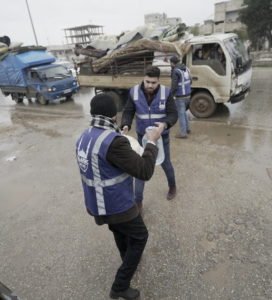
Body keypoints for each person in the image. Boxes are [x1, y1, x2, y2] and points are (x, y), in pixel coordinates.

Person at [76, 93, 164, 300]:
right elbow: (144, 171)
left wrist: (121, 135)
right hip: (116, 205)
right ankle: (120, 286)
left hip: (96, 203)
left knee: (119, 231)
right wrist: (151, 142)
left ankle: (127, 259)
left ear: (93, 112)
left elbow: (102, 162)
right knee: (140, 236)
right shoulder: (115, 143)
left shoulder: (85, 135)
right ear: (114, 114)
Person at [121, 66, 178, 202]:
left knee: (166, 164)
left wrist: (165, 124)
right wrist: (125, 124)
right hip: (142, 137)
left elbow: (173, 114)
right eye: (147, 82)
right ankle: (138, 201)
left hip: (161, 137)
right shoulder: (134, 92)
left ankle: (172, 187)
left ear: (158, 81)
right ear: (143, 79)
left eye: (153, 82)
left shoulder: (166, 92)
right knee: (140, 168)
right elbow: (128, 111)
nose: (150, 85)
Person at [170, 56, 192, 138]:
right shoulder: (186, 69)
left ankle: (183, 133)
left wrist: (171, 95)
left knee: (181, 114)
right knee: (184, 112)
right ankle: (187, 129)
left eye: (170, 63)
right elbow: (191, 81)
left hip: (180, 97)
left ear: (173, 63)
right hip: (188, 95)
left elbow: (174, 85)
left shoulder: (176, 71)